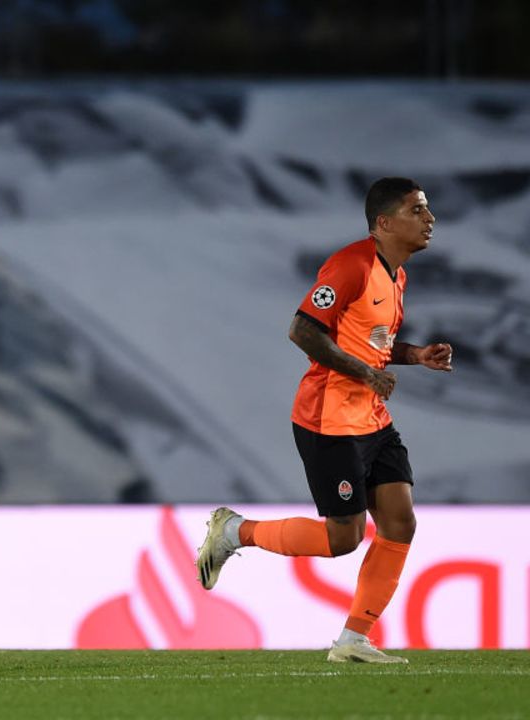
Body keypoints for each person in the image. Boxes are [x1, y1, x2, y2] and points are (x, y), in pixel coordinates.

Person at [196, 177, 453, 664]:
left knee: (399, 522)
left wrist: (415, 355)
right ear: (384, 222)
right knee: (344, 539)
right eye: (417, 210)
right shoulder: (351, 265)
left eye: (427, 209)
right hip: (328, 418)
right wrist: (364, 374)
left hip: (371, 418)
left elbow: (370, 345)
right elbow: (303, 330)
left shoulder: (395, 275)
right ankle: (234, 532)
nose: (429, 218)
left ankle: (353, 640)